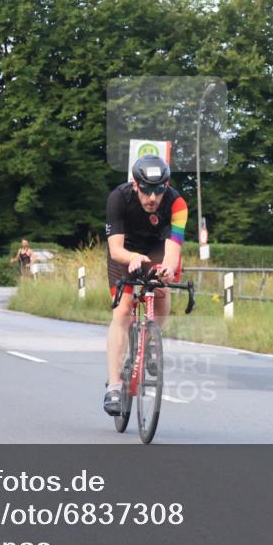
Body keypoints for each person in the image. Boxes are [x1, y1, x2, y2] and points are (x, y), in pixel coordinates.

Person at [102, 154, 187, 415]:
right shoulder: (119, 197)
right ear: (136, 185)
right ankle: (114, 386)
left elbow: (173, 249)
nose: (153, 198)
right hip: (125, 252)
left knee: (162, 287)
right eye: (147, 190)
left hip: (157, 250)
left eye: (159, 190)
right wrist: (133, 257)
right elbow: (115, 249)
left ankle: (151, 340)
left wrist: (166, 269)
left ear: (167, 186)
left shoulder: (178, 204)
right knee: (123, 309)